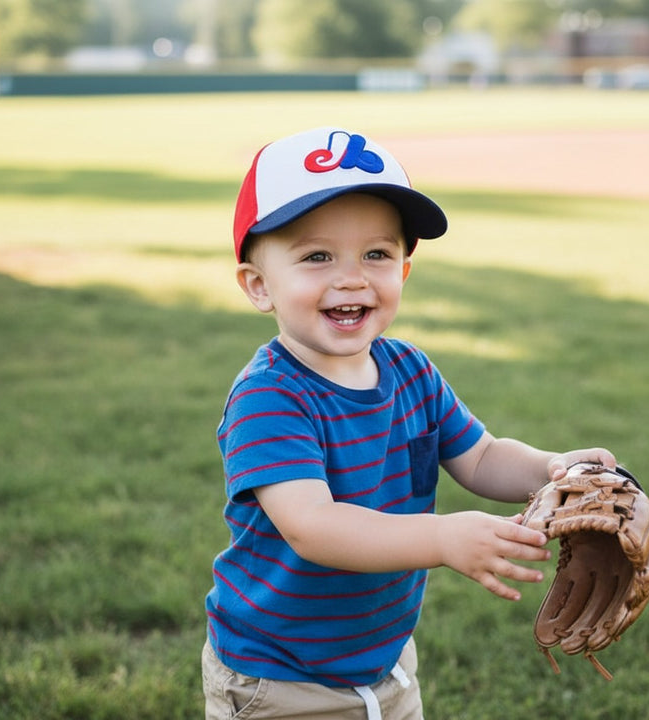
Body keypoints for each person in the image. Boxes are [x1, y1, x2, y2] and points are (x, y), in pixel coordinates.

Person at [202, 127, 616, 720]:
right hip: (280, 677)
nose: (352, 277)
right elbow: (312, 528)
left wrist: (554, 468)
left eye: (377, 254)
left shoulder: (409, 369)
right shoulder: (270, 395)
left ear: (405, 270)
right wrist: (443, 539)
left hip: (386, 659)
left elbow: (481, 456)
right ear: (258, 285)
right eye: (317, 256)